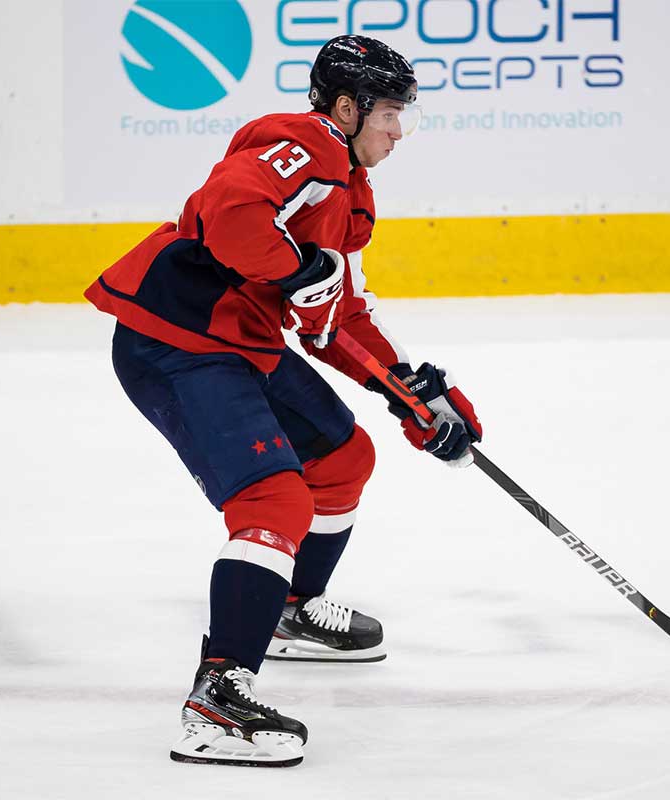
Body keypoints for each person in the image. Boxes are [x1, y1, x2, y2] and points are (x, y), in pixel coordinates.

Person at [84, 35, 482, 768]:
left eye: (406, 116)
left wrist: (411, 393)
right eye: (390, 113)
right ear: (344, 107)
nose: (399, 130)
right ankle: (217, 699)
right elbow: (230, 213)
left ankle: (288, 611)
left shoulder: (349, 192)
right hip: (179, 340)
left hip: (244, 341)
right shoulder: (305, 143)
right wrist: (297, 267)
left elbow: (333, 319)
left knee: (341, 457)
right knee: (274, 502)